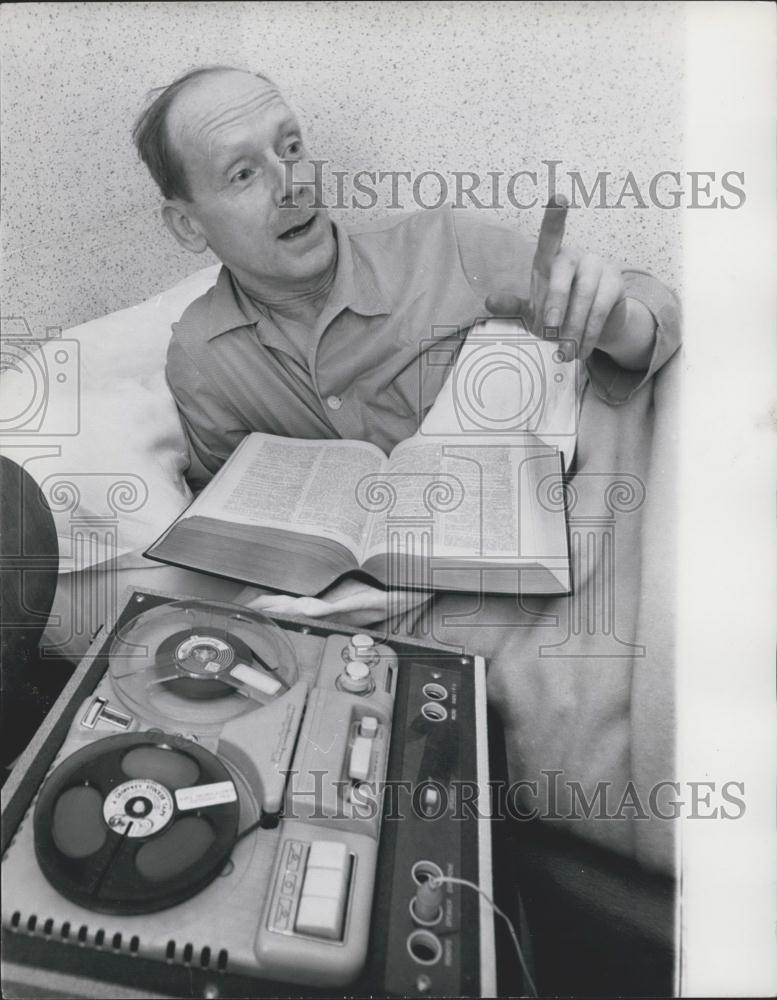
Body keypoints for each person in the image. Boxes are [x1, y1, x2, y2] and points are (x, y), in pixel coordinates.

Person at [133, 65, 680, 624]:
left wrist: (612, 323)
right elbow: (235, 523)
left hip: (568, 565)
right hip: (390, 626)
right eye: (244, 173)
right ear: (187, 226)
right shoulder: (202, 359)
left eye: (291, 147)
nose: (293, 183)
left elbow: (645, 316)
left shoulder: (447, 248)